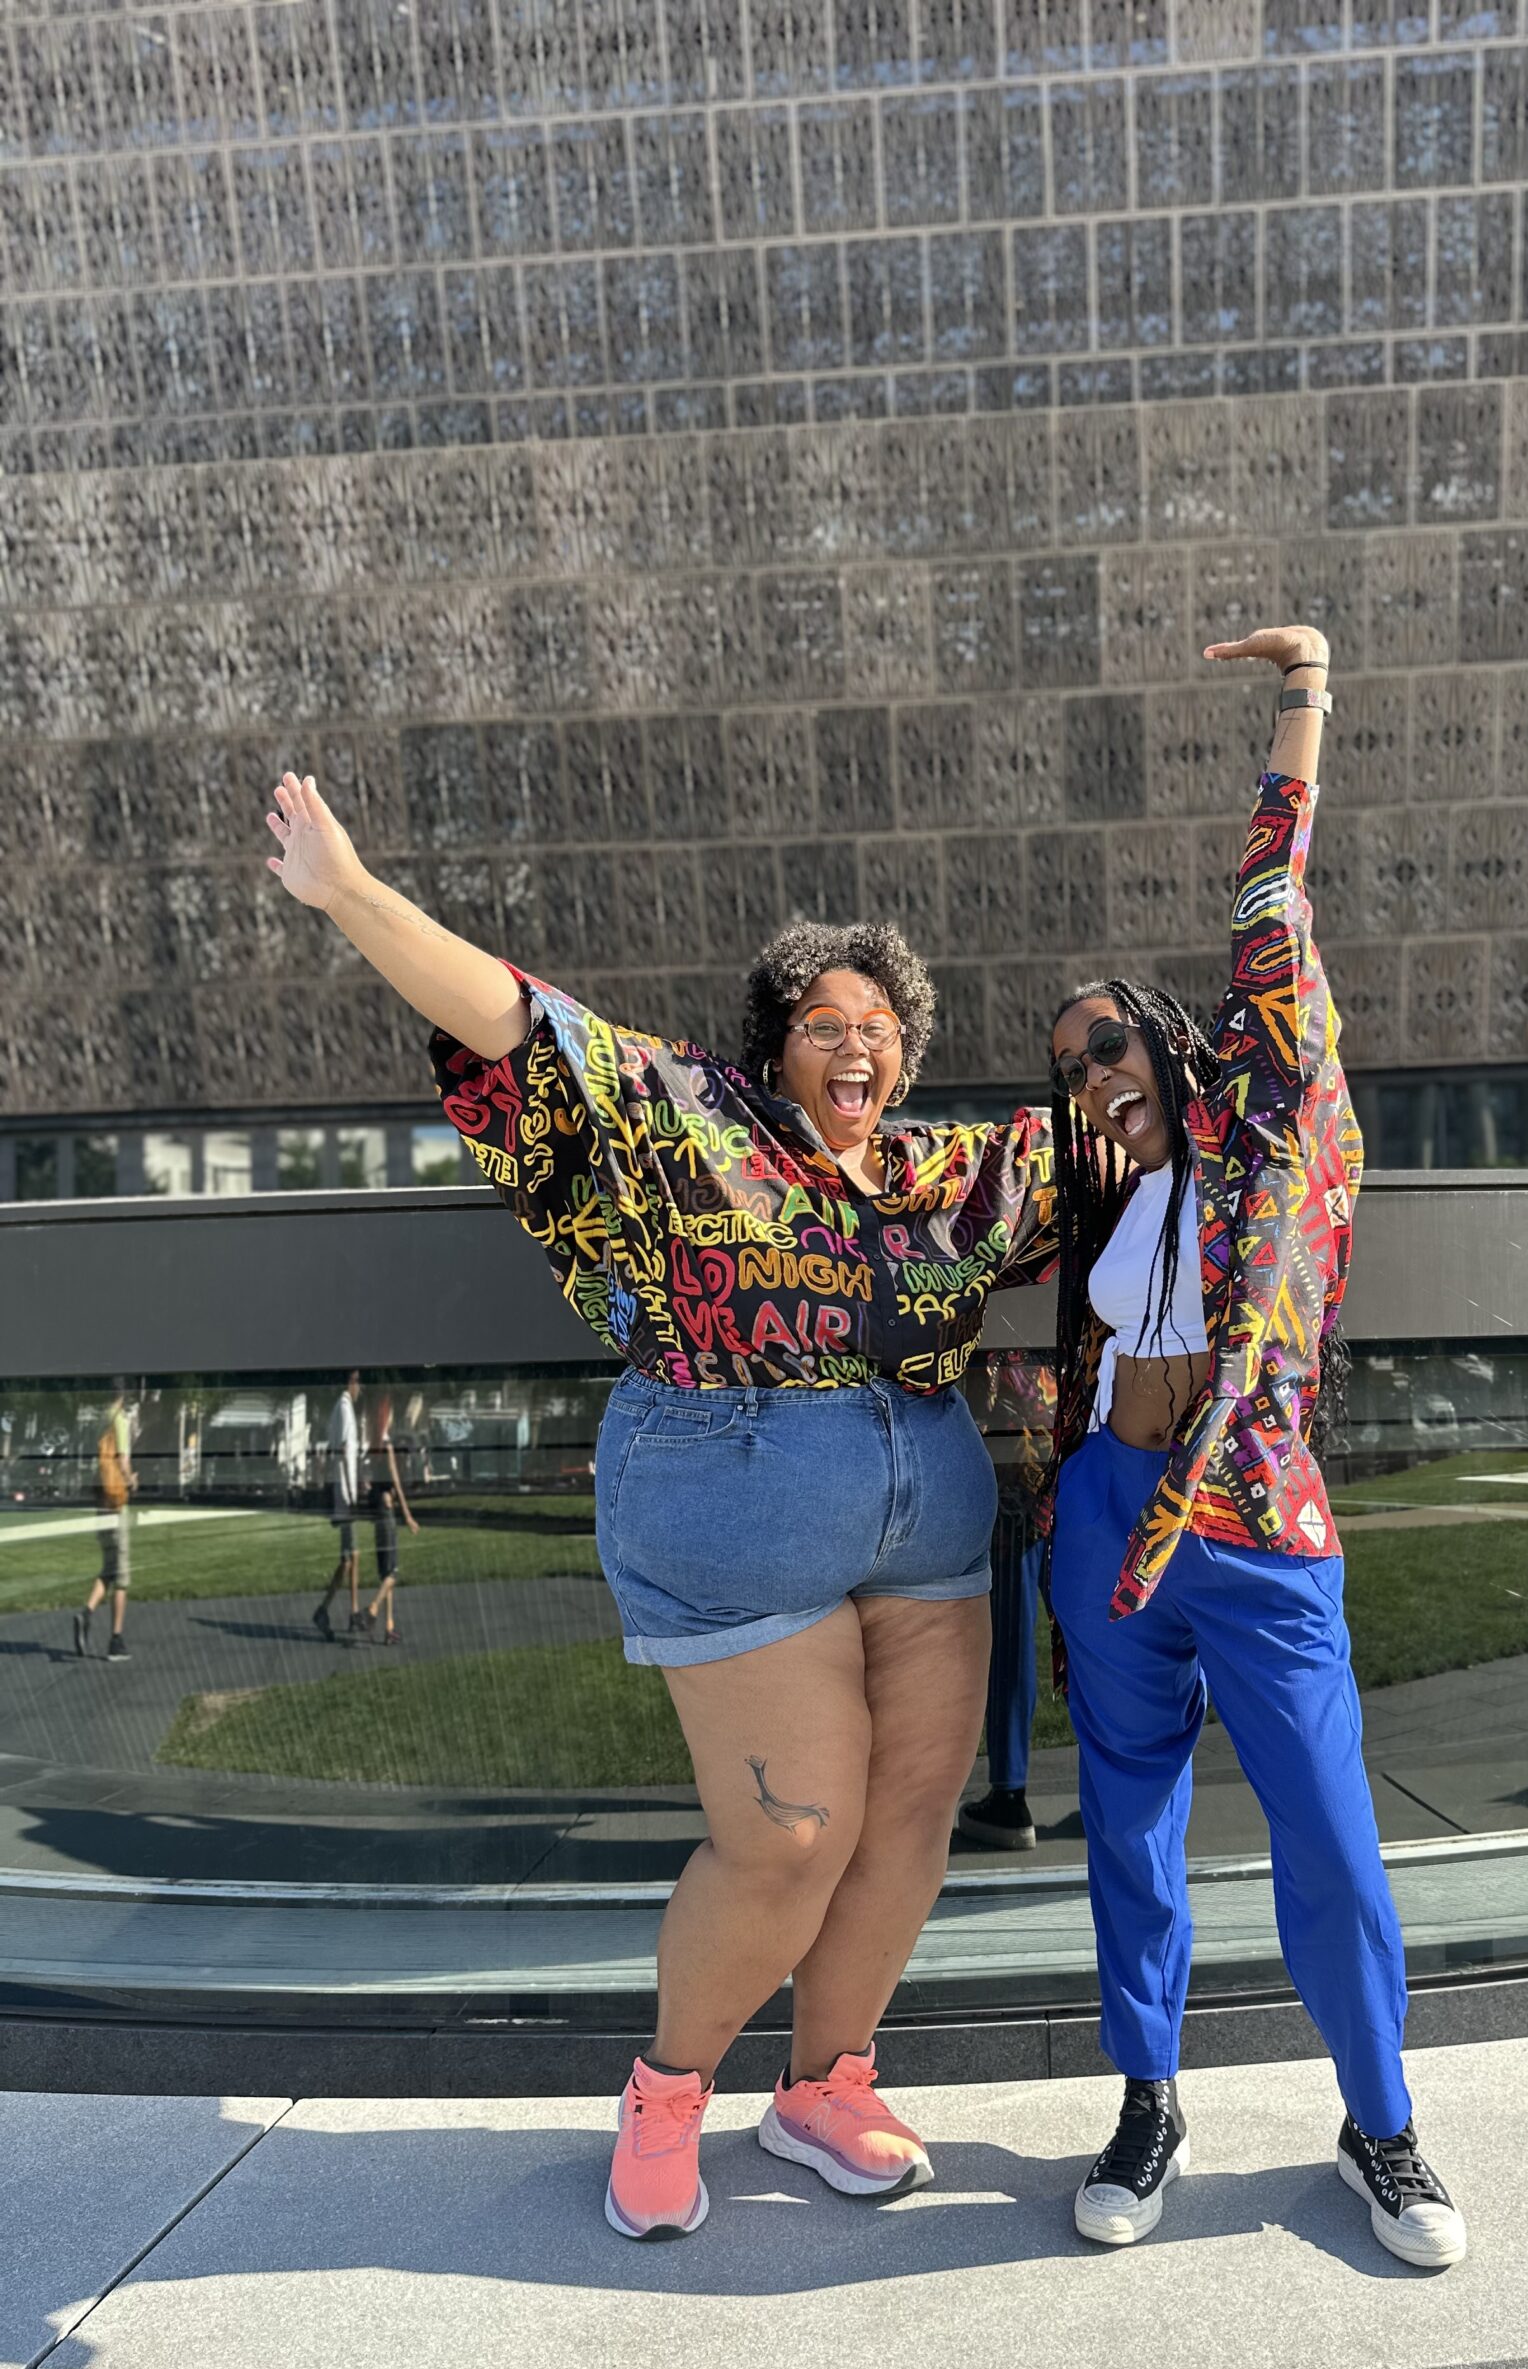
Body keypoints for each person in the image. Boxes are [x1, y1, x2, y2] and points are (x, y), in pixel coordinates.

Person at [263, 772, 1053, 2241]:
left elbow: (1135, 1126)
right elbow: (514, 1023)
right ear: (777, 1044)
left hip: (928, 1509)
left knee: (910, 1820)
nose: (856, 1044)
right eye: (826, 1023)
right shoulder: (691, 1117)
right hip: (734, 1487)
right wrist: (350, 893)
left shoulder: (955, 1173)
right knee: (792, 1835)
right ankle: (670, 2091)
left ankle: (828, 2086)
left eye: (880, 1028)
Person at [1043, 622, 1466, 2269]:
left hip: (1253, 1525)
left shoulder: (1271, 1121)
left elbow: (1269, 911)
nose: (1089, 1075)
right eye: (1066, 1061)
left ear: (1173, 1038)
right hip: (1108, 1518)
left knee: (1330, 1841)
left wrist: (1305, 700)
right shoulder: (1095, 1192)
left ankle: (1382, 2126)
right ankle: (1148, 2102)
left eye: (1107, 1044)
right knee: (1131, 1824)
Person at [956, 1350, 1057, 1851]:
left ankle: (1009, 1792)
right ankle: (1122, 1778)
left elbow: (980, 1406)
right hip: (1065, 1484)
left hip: (1014, 1490)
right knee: (1087, 1642)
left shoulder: (998, 1336)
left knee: (1011, 1646)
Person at [73, 1380, 136, 1663]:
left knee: (108, 1567)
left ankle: (86, 1612)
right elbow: (122, 1461)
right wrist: (132, 1480)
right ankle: (116, 1640)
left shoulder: (99, 1420)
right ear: (123, 1396)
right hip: (116, 1503)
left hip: (100, 1503)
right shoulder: (119, 1420)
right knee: (121, 1576)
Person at [362, 1390, 420, 1644]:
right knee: (393, 1573)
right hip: (387, 1514)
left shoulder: (374, 1447)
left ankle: (389, 1626)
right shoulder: (386, 1447)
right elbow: (395, 1482)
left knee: (387, 1575)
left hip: (378, 1513)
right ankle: (372, 1609)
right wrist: (407, 1515)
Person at [313, 1370, 363, 1640]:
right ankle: (353, 1614)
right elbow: (344, 1452)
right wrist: (351, 1495)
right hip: (345, 1497)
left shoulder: (338, 1408)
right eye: (358, 1381)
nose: (360, 1388)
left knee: (347, 1560)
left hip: (343, 1495)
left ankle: (324, 1610)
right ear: (350, 1382)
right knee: (352, 1557)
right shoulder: (344, 1408)